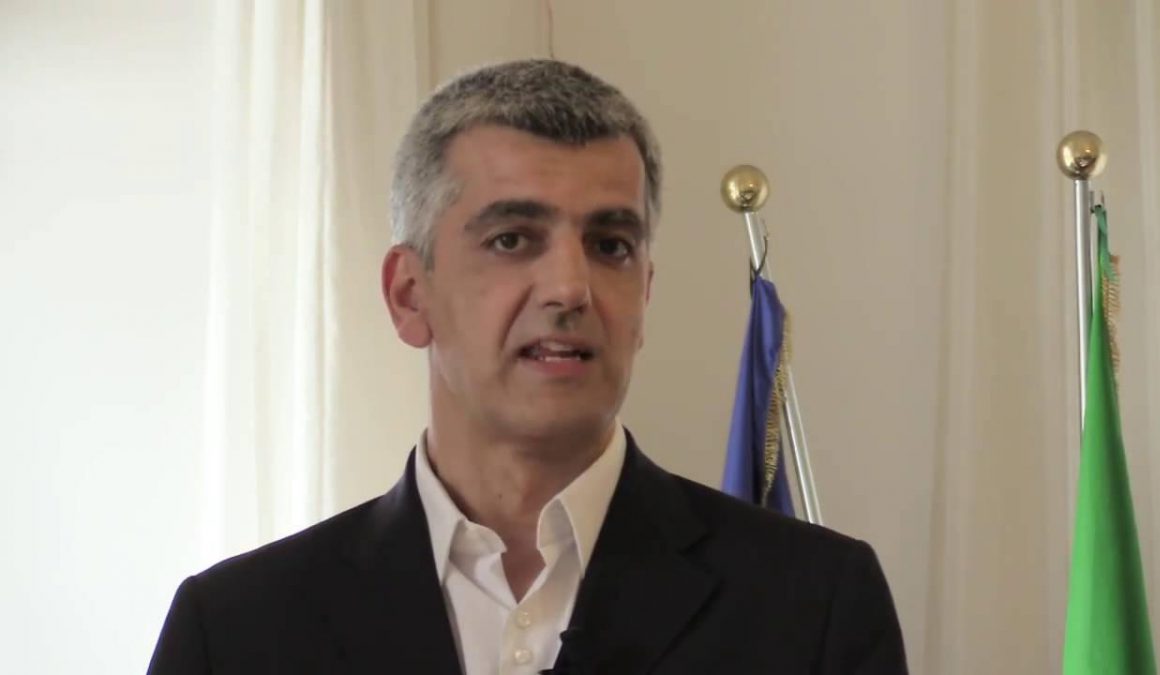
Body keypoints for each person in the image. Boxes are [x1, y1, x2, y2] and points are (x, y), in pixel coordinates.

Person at [149, 59, 907, 675]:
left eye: (610, 245)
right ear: (409, 295)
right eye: (512, 239)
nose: (571, 288)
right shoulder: (237, 630)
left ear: (644, 294)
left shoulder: (813, 604)